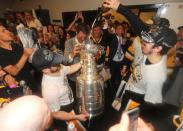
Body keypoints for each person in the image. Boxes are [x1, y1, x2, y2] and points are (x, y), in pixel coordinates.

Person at [103, 0, 177, 108]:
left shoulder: (156, 77)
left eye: (147, 41)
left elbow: (150, 106)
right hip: (129, 87)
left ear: (158, 48)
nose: (142, 41)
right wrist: (119, 8)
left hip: (136, 99)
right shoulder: (150, 51)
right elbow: (139, 26)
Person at [31, 48, 88, 130]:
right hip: (63, 113)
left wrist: (82, 62)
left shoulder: (58, 67)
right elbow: (56, 114)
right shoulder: (50, 89)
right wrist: (77, 117)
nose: (58, 63)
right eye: (54, 63)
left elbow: (70, 69)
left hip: (70, 103)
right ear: (45, 70)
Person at [0, 25, 38, 94]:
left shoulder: (15, 45)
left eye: (6, 29)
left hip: (30, 80)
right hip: (18, 87)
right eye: (3, 31)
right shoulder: (1, 53)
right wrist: (26, 54)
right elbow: (13, 71)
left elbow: (28, 60)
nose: (8, 32)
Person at [64, 23, 90, 102]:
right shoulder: (69, 42)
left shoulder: (88, 41)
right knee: (77, 98)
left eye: (85, 35)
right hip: (74, 77)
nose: (83, 37)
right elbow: (65, 61)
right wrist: (73, 54)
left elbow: (92, 53)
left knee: (86, 97)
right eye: (81, 35)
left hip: (86, 75)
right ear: (76, 32)